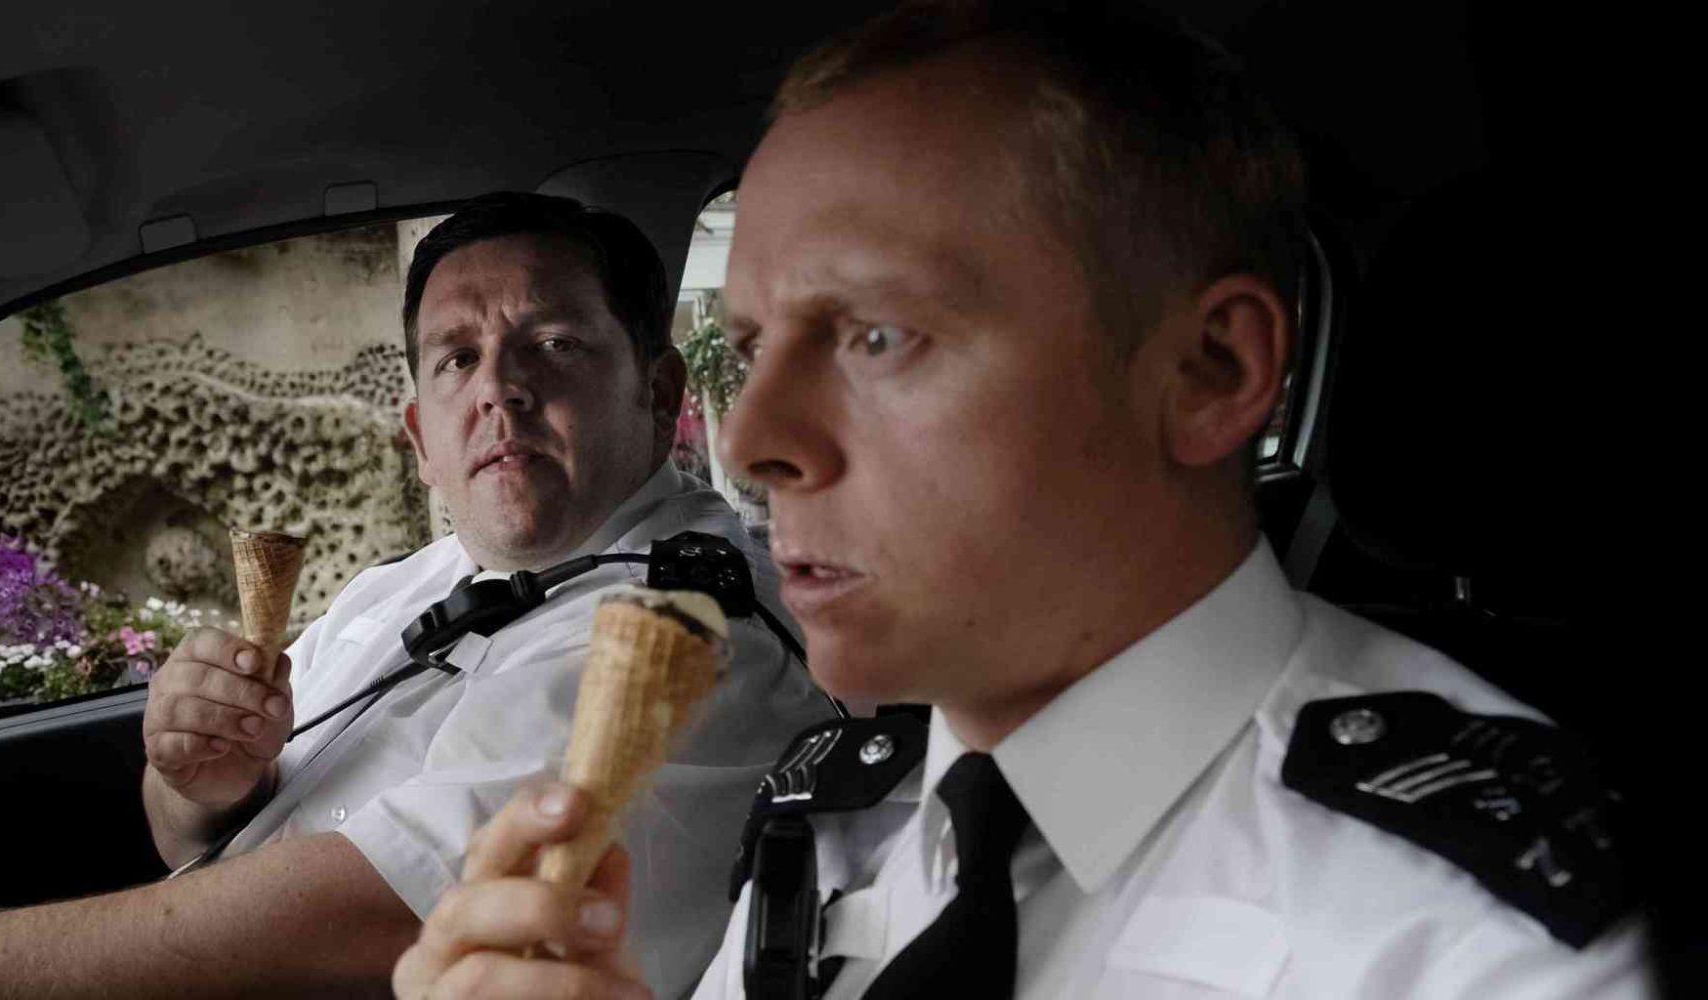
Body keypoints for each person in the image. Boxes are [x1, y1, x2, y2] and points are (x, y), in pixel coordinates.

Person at [392, 5, 1651, 998]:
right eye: (753, 347)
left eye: (878, 335)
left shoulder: (1483, 939)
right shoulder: (826, 823)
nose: (759, 440)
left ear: (1207, 373)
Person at [0, 193, 834, 998]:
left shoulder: (689, 628)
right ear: (418, 440)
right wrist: (197, 785)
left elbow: (378, 911)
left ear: (657, 388)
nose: (499, 386)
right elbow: (190, 850)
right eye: (454, 359)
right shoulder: (401, 586)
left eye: (552, 343)